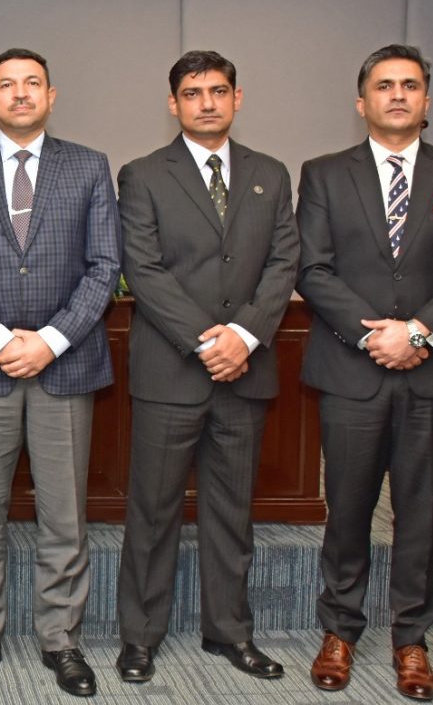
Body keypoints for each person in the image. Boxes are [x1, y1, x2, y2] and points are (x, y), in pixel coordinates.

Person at [0, 47, 120, 697]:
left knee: (64, 516)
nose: (19, 93)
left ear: (50, 94)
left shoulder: (89, 167)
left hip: (65, 366)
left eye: (31, 83)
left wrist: (52, 341)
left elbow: (104, 267)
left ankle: (61, 641)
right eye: (6, 85)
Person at [115, 50, 298, 684]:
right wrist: (206, 341)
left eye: (218, 91)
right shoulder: (142, 175)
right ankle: (140, 637)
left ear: (237, 98)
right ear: (174, 104)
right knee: (153, 511)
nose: (207, 103)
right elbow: (143, 270)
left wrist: (243, 336)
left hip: (246, 372)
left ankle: (230, 632)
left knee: (232, 511)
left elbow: (283, 263)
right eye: (192, 93)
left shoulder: (271, 174)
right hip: (170, 371)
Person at [297, 44, 433, 702]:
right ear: (361, 101)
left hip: (431, 372)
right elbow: (313, 268)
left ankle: (411, 639)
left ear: (426, 100)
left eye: (409, 85)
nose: (397, 94)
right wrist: (375, 335)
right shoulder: (324, 174)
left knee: (421, 512)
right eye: (384, 85)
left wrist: (416, 331)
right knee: (348, 510)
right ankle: (339, 631)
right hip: (351, 370)